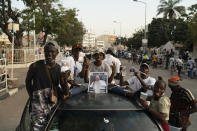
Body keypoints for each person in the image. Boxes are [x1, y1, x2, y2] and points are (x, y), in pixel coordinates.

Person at [25, 41, 69, 131]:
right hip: (38, 108)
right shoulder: (35, 66)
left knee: (53, 128)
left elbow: (63, 89)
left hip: (52, 106)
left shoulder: (58, 68)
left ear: (57, 53)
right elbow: (28, 81)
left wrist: (64, 82)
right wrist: (32, 96)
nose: (49, 54)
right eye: (47, 52)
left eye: (52, 52)